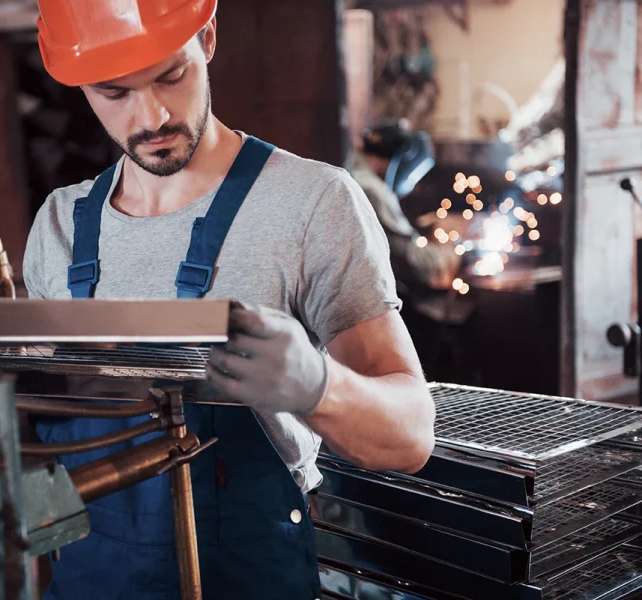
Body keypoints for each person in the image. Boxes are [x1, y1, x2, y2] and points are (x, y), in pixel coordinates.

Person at [23, 2, 436, 599]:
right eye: (115, 93)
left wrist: (317, 385)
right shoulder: (59, 225)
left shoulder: (314, 203)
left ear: (208, 37)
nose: (153, 115)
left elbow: (411, 437)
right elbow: (45, 447)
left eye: (170, 75)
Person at [351, 119, 461, 290]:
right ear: (400, 160)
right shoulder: (372, 190)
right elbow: (408, 258)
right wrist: (454, 255)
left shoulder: (351, 172)